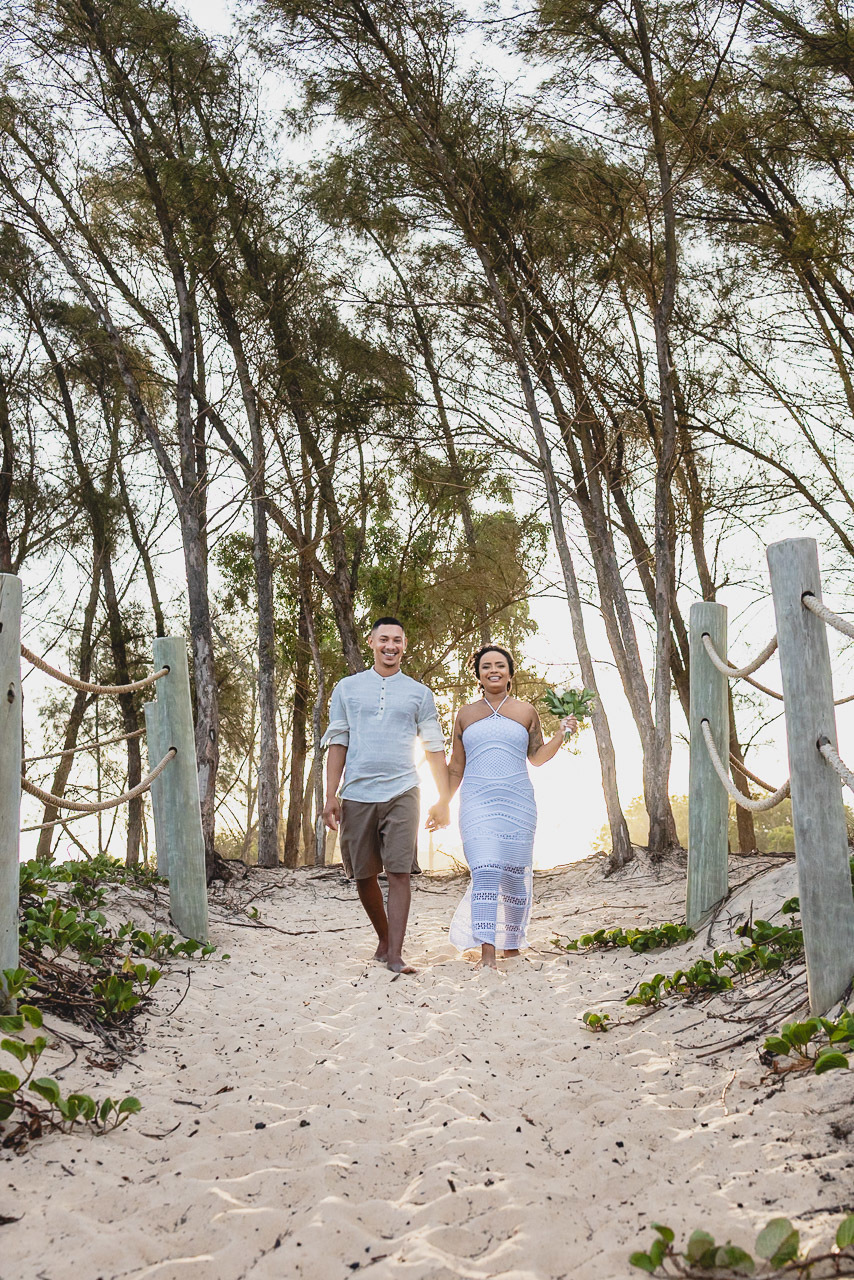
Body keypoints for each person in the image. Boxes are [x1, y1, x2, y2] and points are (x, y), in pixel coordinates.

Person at [321, 617, 451, 973]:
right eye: (384, 639)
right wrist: (330, 795)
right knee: (362, 874)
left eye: (397, 640)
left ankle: (395, 953)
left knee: (399, 872)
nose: (390, 646)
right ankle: (383, 939)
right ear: (371, 642)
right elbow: (338, 741)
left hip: (403, 789)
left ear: (405, 645)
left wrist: (443, 798)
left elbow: (434, 747)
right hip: (358, 792)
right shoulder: (347, 688)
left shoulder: (419, 694)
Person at [447, 645, 577, 970]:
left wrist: (561, 734)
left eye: (500, 665)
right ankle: (487, 953)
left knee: (514, 881)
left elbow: (536, 757)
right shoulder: (464, 714)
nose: (494, 670)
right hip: (475, 803)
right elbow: (455, 768)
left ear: (510, 671)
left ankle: (513, 945)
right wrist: (440, 804)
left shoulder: (526, 711)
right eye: (486, 665)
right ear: (477, 673)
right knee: (487, 872)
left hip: (518, 803)